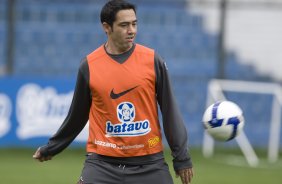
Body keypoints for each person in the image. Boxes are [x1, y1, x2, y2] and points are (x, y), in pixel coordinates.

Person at [33, 0, 194, 183]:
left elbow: (170, 111)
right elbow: (76, 116)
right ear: (106, 27)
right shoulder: (89, 65)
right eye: (124, 25)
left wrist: (182, 157)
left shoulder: (153, 60)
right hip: (102, 164)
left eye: (134, 24)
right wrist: (52, 147)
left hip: (150, 164)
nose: (131, 30)